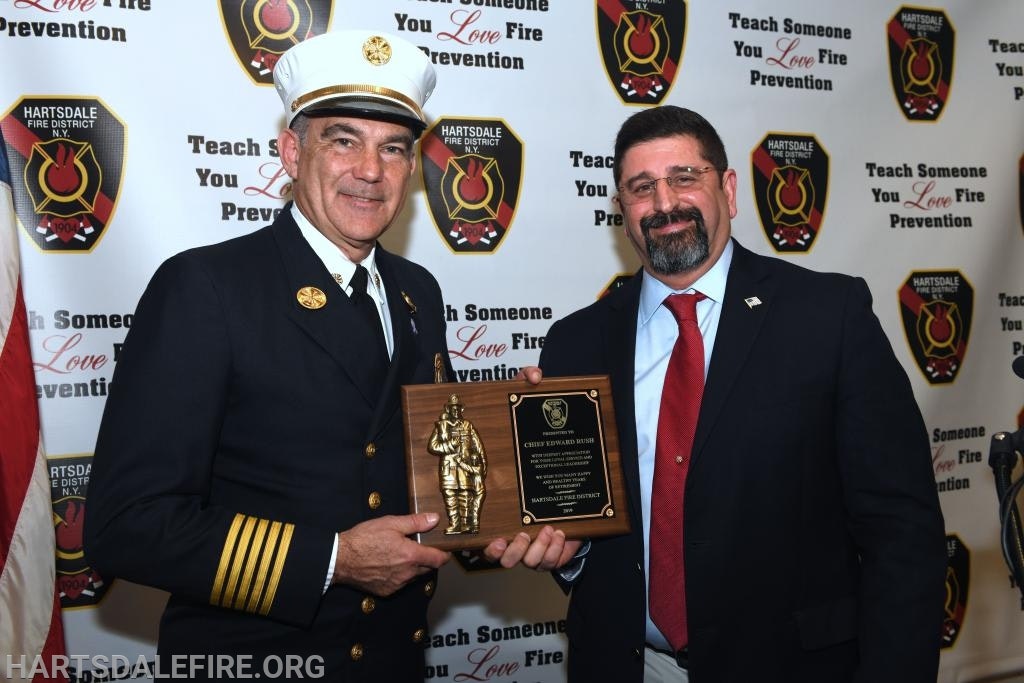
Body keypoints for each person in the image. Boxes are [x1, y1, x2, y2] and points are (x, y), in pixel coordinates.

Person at [489, 106, 946, 683]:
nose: (664, 204)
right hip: (629, 665)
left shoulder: (828, 317)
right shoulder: (575, 342)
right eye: (641, 188)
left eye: (685, 178)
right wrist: (572, 551)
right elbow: (589, 525)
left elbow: (901, 530)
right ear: (621, 211)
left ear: (728, 189)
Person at [84, 30, 456, 681]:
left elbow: (420, 465)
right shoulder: (206, 287)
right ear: (291, 150)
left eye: (393, 148)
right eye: (343, 140)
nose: (371, 170)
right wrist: (332, 559)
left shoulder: (418, 292)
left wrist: (518, 446)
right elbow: (127, 525)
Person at [428, 393, 487, 534]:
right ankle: (455, 524)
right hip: (448, 468)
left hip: (465, 467)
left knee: (466, 495)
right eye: (452, 408)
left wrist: (483, 462)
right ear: (448, 409)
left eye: (457, 408)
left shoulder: (467, 425)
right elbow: (433, 446)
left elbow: (477, 445)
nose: (455, 410)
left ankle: (466, 524)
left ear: (461, 409)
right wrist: (450, 444)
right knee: (450, 495)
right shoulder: (441, 426)